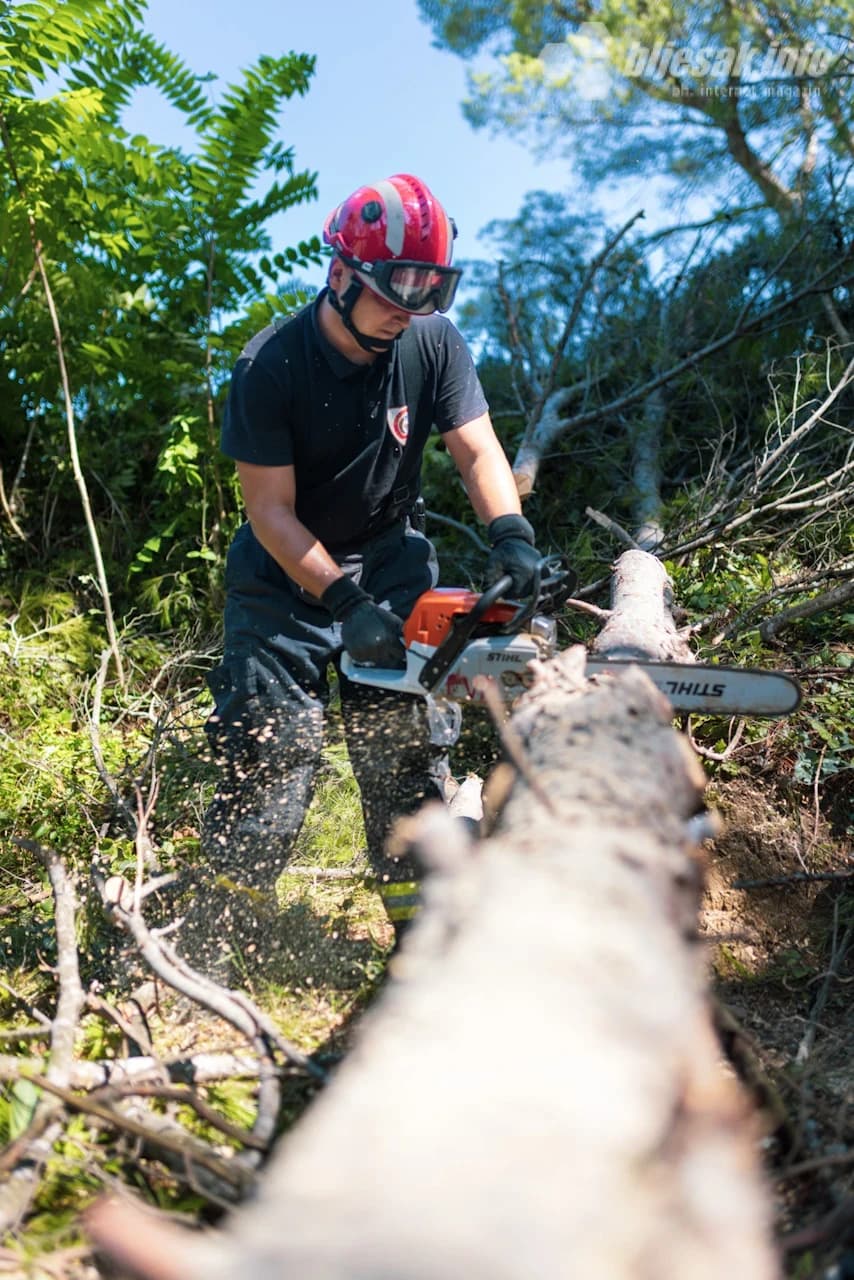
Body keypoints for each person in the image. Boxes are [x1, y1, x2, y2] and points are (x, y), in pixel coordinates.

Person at [187, 173, 544, 972]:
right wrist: (341, 600)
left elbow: (476, 445)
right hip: (286, 584)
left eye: (427, 289)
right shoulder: (270, 367)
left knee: (404, 758)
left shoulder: (429, 341)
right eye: (395, 288)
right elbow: (269, 515)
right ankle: (220, 941)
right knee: (275, 756)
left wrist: (511, 534)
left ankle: (427, 941)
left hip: (389, 561)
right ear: (341, 273)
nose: (409, 307)